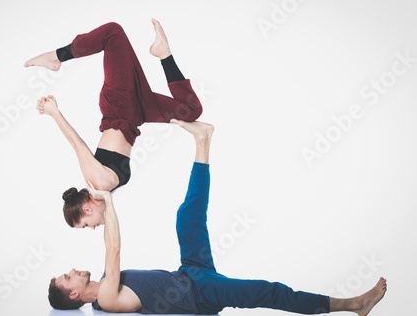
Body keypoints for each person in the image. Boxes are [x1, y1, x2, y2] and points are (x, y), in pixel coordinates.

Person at [47, 119, 387, 315]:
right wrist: (107, 202)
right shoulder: (105, 300)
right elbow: (115, 251)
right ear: (75, 294)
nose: (73, 271)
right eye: (68, 277)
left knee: (187, 216)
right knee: (267, 292)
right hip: (200, 294)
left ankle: (203, 140)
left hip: (189, 272)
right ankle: (352, 304)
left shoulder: (106, 280)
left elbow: (113, 255)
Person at [24, 20, 203, 229]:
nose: (92, 228)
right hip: (136, 114)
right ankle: (163, 53)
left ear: (87, 209)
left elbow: (77, 144)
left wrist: (54, 112)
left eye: (85, 225)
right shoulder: (104, 192)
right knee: (190, 110)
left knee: (112, 32)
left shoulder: (97, 183)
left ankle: (56, 57)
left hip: (120, 104)